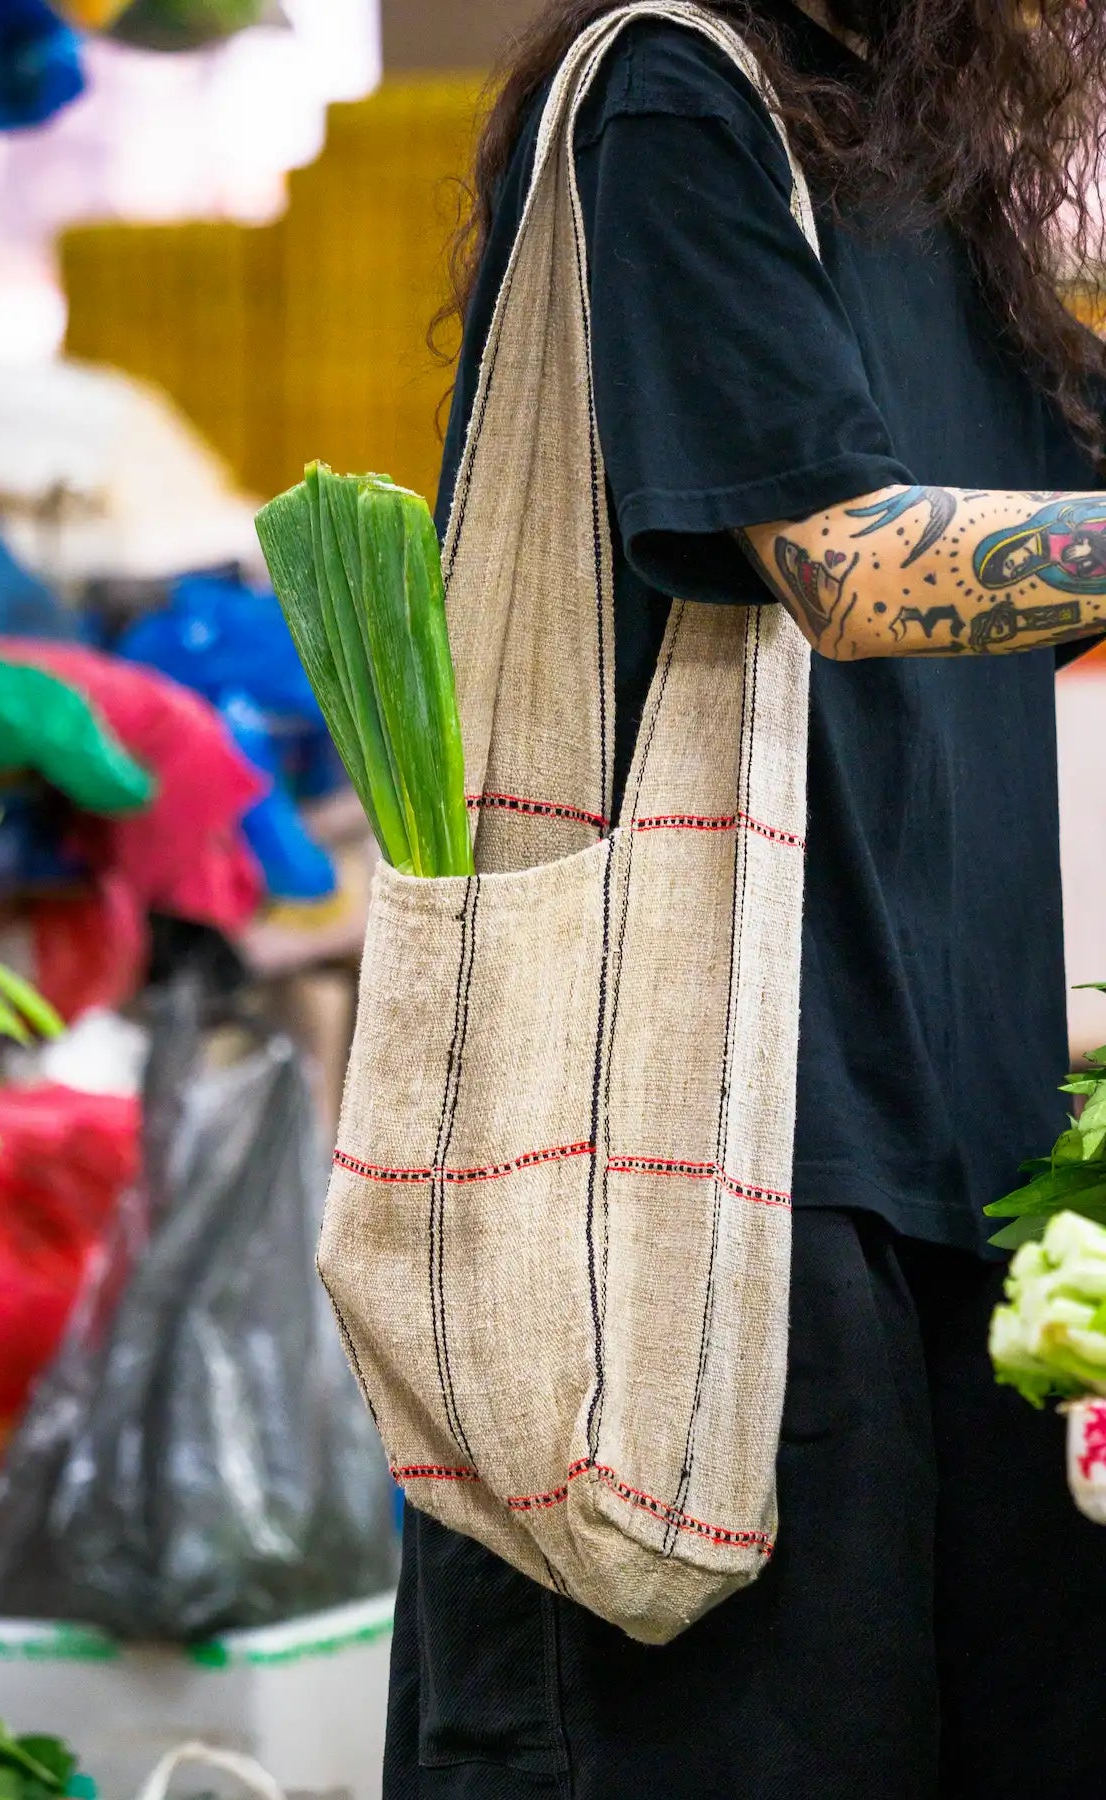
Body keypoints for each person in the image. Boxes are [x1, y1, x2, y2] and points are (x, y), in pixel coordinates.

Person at [384, 2, 1106, 1794]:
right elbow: (852, 565)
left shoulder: (935, 187)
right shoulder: (672, 92)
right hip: (722, 1186)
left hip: (981, 1183)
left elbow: (1067, 551)